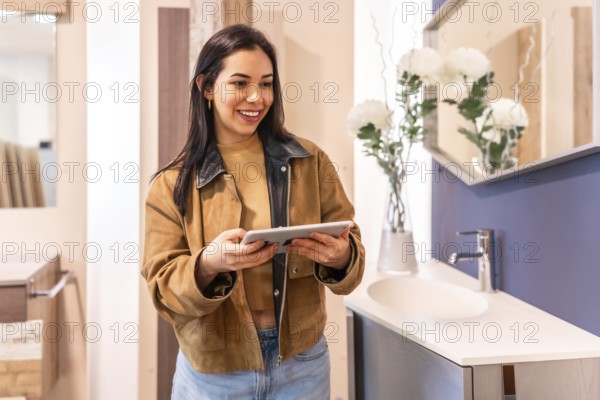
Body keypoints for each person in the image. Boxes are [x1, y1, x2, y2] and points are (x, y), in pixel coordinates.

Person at [141, 23, 365, 399]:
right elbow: (163, 289)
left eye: (266, 84)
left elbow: (351, 249)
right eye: (240, 83)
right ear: (207, 88)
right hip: (214, 374)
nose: (256, 97)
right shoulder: (171, 184)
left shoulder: (310, 162)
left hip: (302, 365)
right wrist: (208, 264)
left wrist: (342, 256)